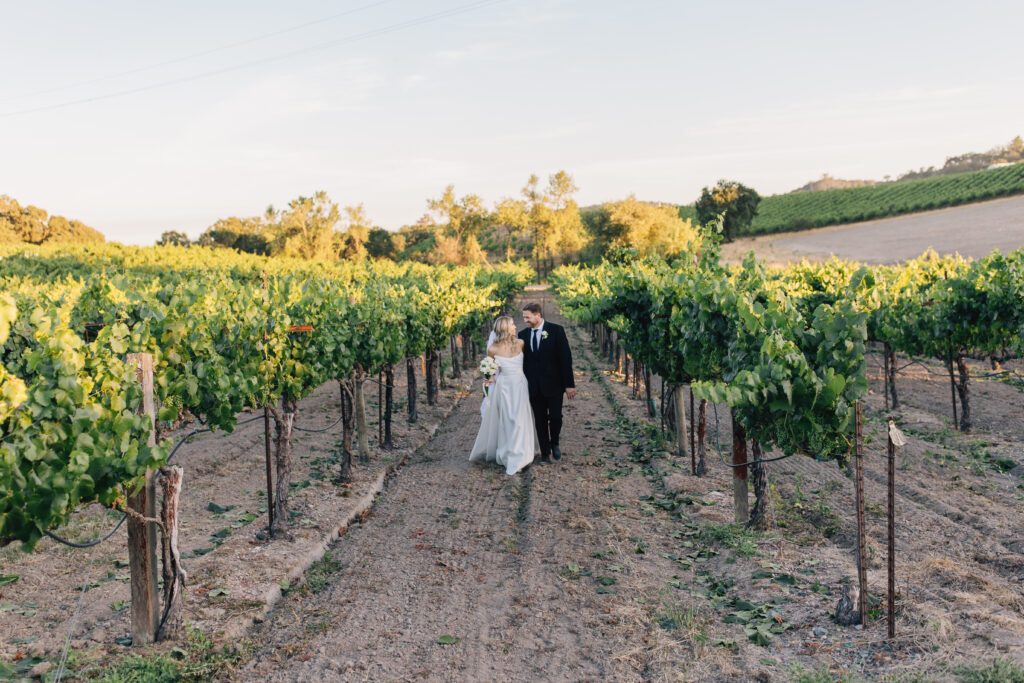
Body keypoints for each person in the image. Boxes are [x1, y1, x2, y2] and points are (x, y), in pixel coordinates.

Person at [469, 316, 538, 475]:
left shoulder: (520, 344)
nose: (515, 327)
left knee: (520, 419)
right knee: (507, 420)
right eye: (513, 325)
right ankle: (508, 452)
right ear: (506, 328)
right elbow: (488, 371)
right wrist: (489, 378)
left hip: (520, 385)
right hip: (504, 387)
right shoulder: (493, 349)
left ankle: (520, 452)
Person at [518, 302, 575, 463]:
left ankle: (555, 442)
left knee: (556, 417)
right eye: (524, 317)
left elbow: (565, 359)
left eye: (527, 317)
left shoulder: (556, 330)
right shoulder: (522, 335)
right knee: (540, 420)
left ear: (538, 315)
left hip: (554, 384)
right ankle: (545, 453)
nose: (525, 320)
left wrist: (569, 384)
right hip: (534, 386)